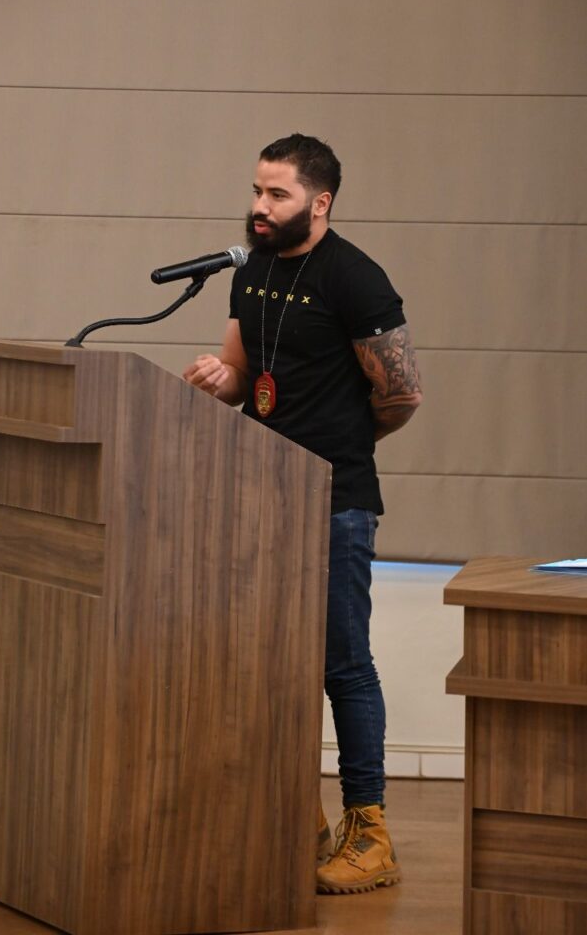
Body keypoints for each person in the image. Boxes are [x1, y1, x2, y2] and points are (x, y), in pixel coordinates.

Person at [183, 134, 422, 894]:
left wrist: (342, 439)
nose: (259, 206)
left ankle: (369, 831)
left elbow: (401, 394)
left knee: (341, 664)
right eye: (257, 191)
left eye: (276, 194)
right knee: (265, 659)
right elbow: (241, 375)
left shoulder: (356, 278)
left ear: (320, 202)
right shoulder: (249, 270)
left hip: (335, 502)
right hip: (258, 495)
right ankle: (296, 815)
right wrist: (218, 377)